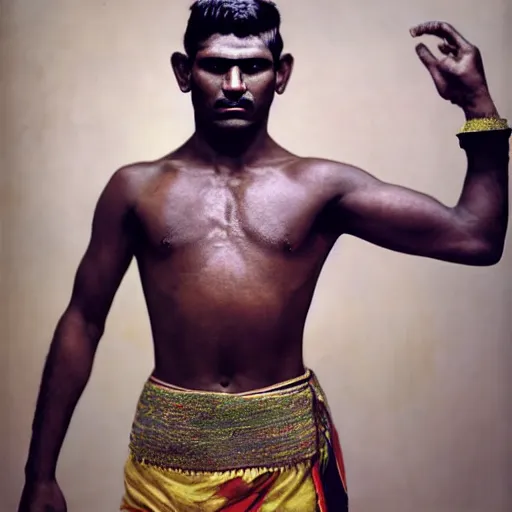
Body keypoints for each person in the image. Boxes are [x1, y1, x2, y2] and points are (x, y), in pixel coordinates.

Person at [18, 0, 510, 511]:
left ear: (282, 74)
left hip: (286, 477)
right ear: (185, 72)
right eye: (215, 65)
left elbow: (475, 236)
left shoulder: (321, 188)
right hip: (164, 476)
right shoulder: (134, 190)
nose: (234, 84)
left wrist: (477, 103)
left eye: (253, 65)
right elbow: (82, 321)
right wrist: (40, 474)